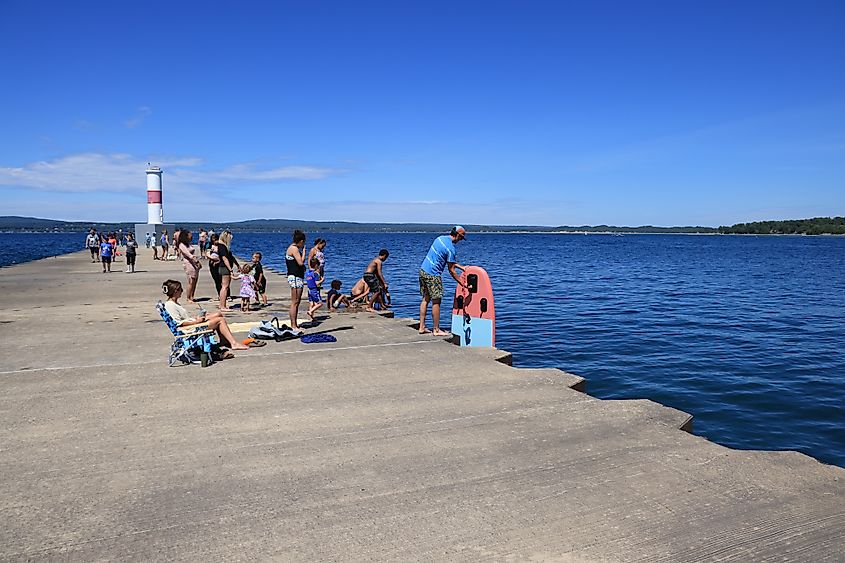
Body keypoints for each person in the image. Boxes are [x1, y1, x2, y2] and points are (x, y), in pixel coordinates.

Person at [161, 279, 249, 351]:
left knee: (218, 314)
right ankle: (233, 343)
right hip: (188, 330)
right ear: (175, 291)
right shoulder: (170, 305)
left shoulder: (174, 303)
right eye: (180, 289)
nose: (182, 291)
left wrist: (197, 318)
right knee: (220, 320)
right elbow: (179, 324)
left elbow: (183, 319)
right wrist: (196, 321)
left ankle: (224, 340)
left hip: (191, 325)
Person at [419, 226, 467, 336]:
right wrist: (462, 284)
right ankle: (436, 330)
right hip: (433, 275)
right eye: (461, 237)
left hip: (423, 270)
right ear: (458, 235)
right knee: (436, 302)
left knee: (425, 299)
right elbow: (451, 270)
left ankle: (421, 327)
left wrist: (462, 267)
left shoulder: (440, 239)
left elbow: (448, 261)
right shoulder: (451, 249)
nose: (460, 240)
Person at [285, 230, 307, 331]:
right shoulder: (294, 249)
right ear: (301, 241)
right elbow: (300, 262)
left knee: (297, 302)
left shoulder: (293, 248)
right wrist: (304, 254)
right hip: (294, 277)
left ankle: (295, 324)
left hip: (297, 276)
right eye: (303, 242)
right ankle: (293, 325)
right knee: (295, 302)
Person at [177, 230, 202, 302]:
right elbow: (188, 254)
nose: (191, 236)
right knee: (191, 281)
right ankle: (188, 297)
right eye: (189, 235)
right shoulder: (182, 245)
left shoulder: (188, 244)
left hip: (193, 264)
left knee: (195, 281)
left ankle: (192, 296)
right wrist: (196, 261)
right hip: (189, 264)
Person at [215, 230, 237, 312]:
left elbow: (231, 257)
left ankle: (223, 305)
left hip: (224, 267)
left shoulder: (224, 247)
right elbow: (224, 258)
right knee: (225, 286)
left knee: (225, 286)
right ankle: (222, 306)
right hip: (224, 268)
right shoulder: (222, 246)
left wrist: (237, 265)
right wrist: (230, 269)